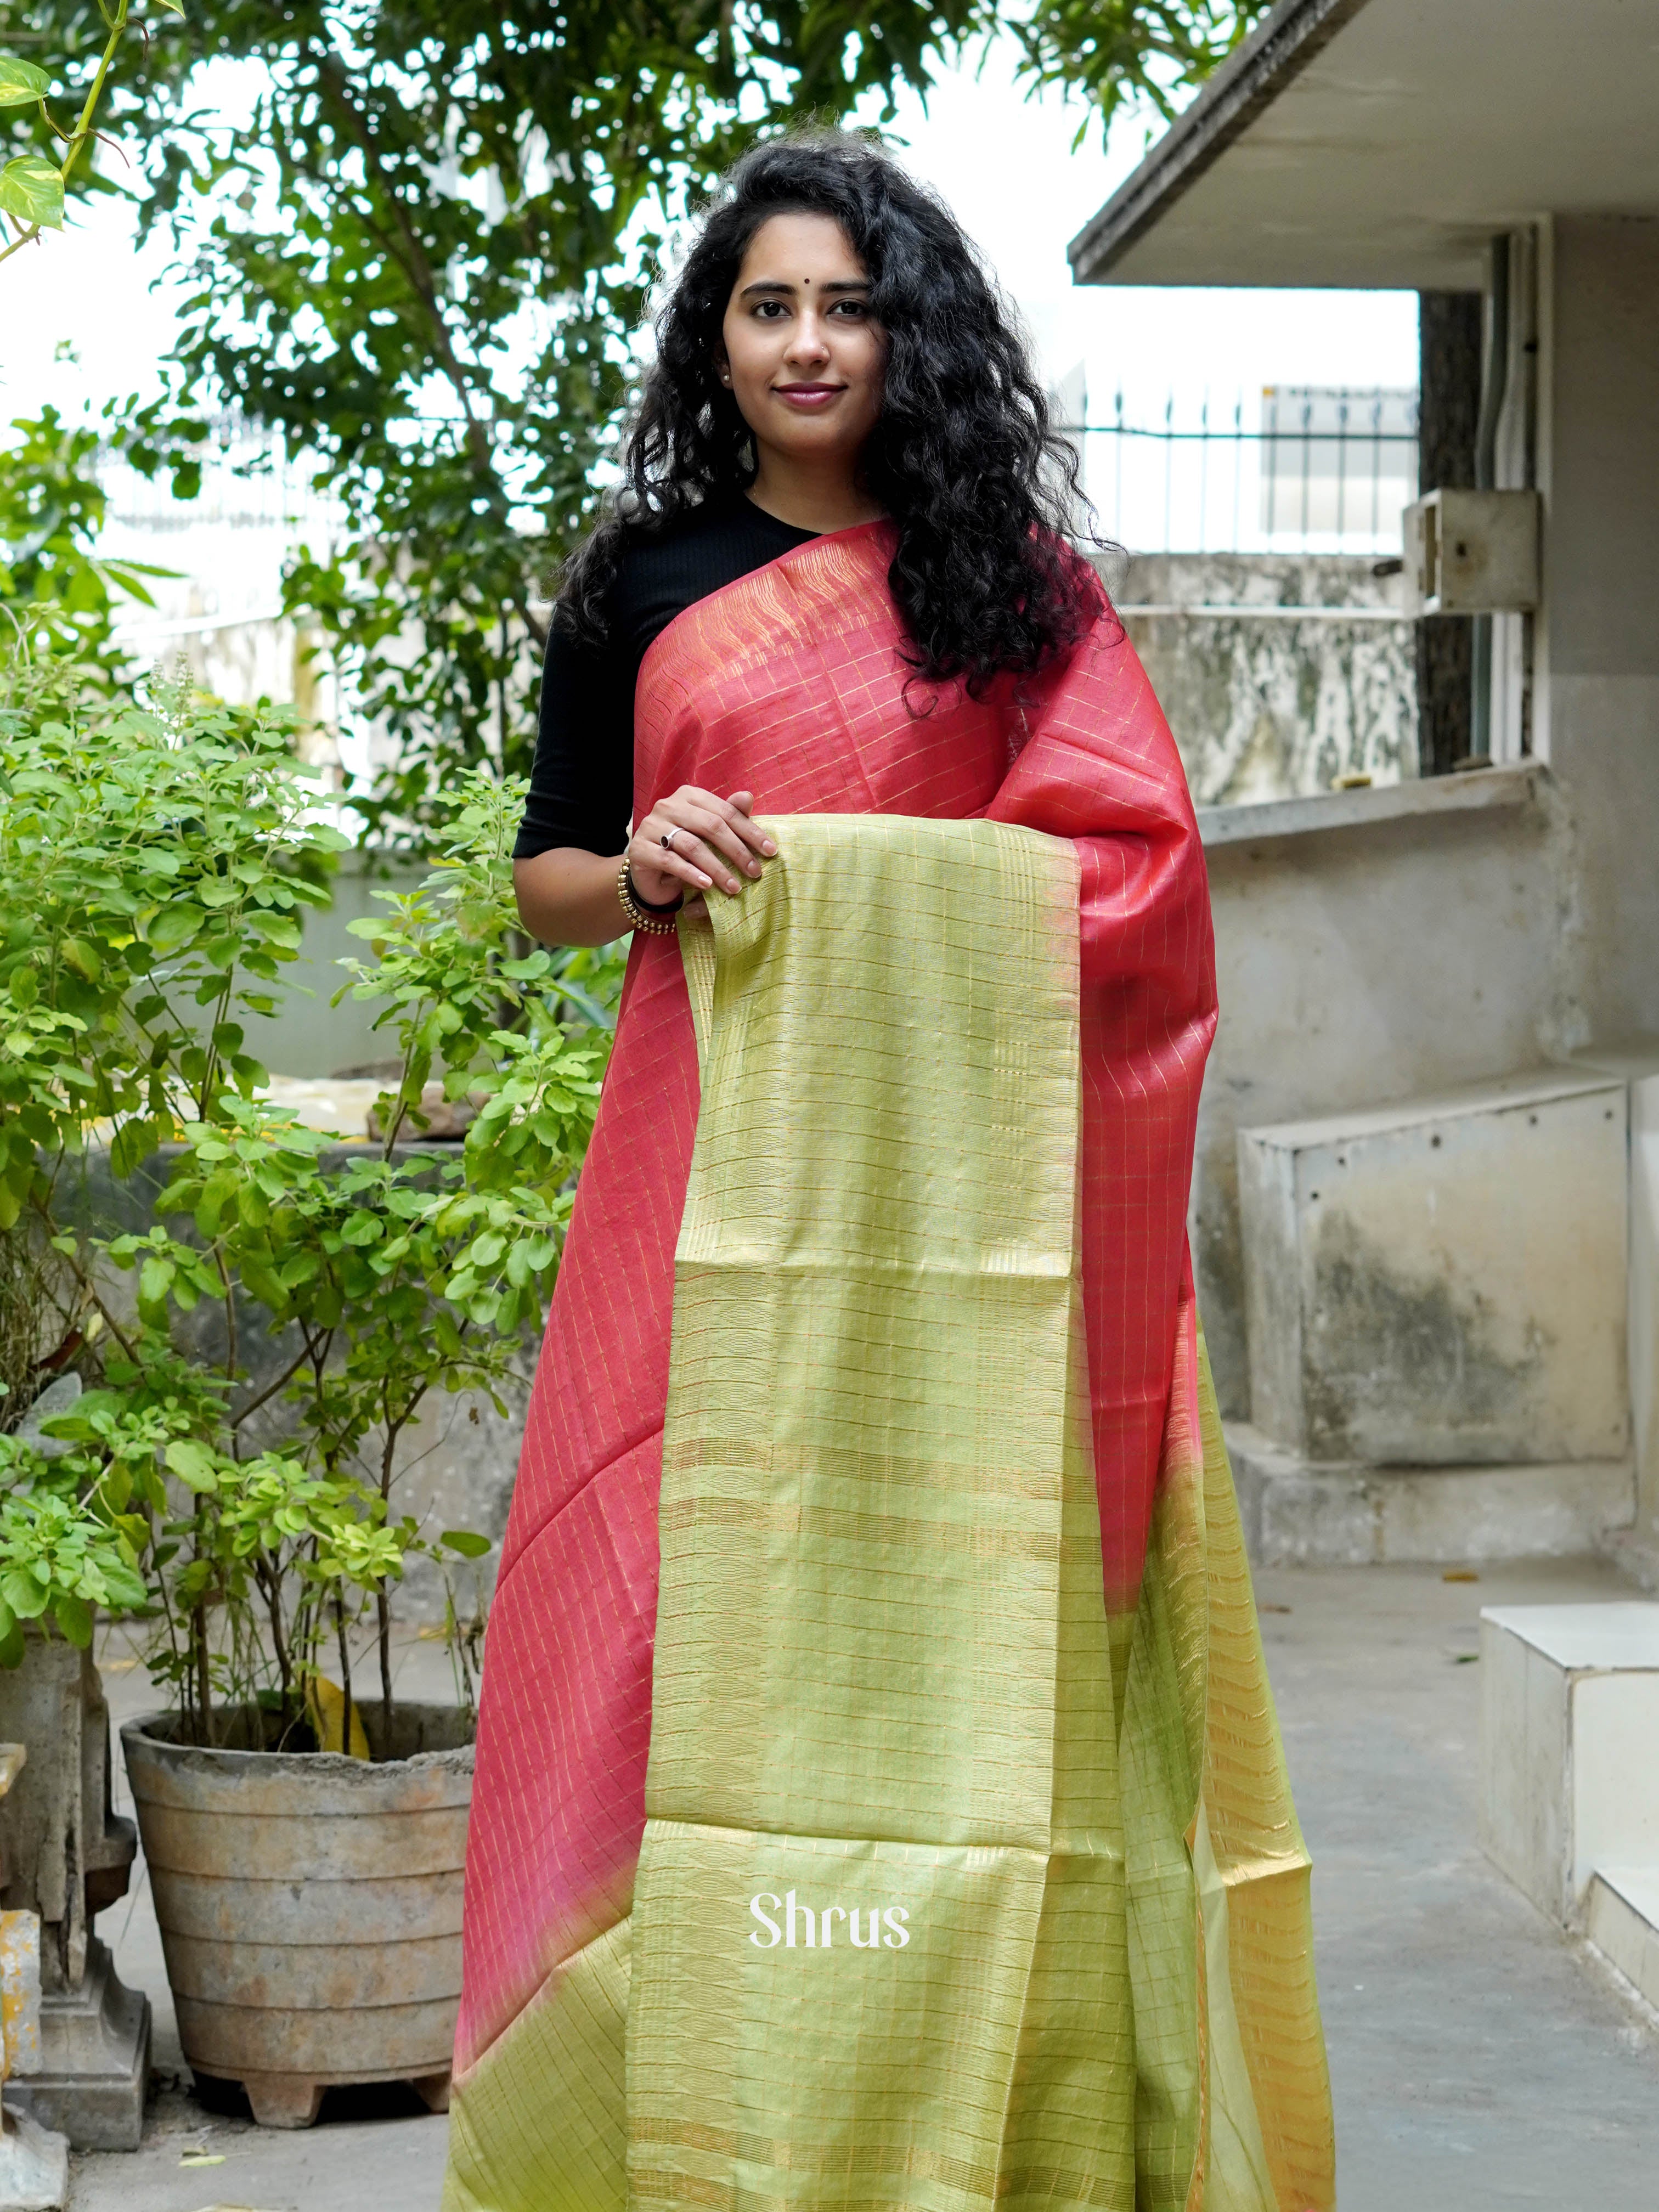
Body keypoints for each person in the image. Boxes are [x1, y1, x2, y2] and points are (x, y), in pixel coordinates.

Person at [443, 133, 1334, 2212]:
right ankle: (697, 2115)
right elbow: (548, 885)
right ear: (716, 339)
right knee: (663, 1622)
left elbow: (1133, 870)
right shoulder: (642, 582)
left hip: (976, 1228)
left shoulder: (1008, 587)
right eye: (770, 306)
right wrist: (646, 865)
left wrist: (858, 882)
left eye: (849, 303)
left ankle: (1011, 2120)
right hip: (718, 1181)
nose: (811, 341)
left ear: (906, 330)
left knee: (982, 1633)